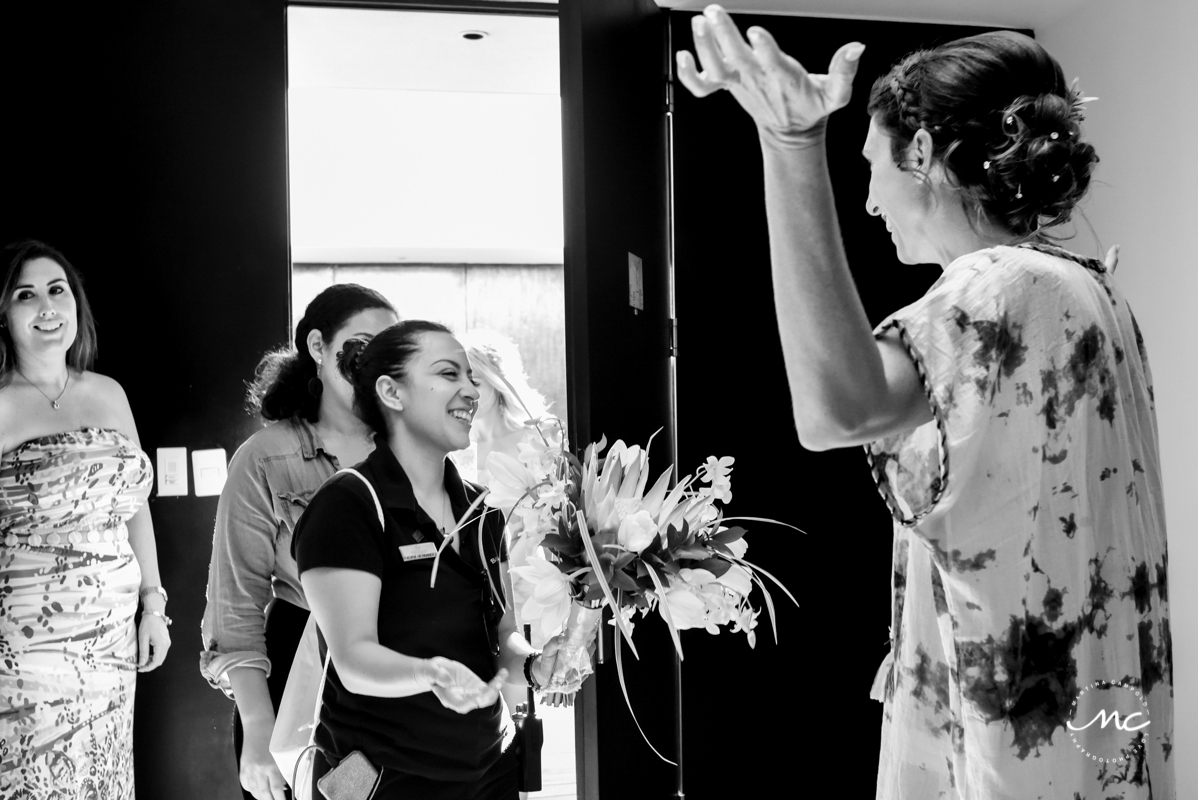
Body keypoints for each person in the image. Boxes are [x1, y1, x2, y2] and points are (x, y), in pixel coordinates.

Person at [678, 8, 1172, 800]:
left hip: (1020, 746)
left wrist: (791, 144)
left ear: (921, 153)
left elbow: (835, 411)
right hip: (1098, 727)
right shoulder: (1083, 290)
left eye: (871, 165)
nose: (870, 202)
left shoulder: (996, 286)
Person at [292, 320, 555, 800]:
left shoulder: (484, 511)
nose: (470, 390)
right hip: (384, 778)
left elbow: (502, 635)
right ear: (391, 392)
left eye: (471, 378)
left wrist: (536, 665)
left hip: (489, 771)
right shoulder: (349, 505)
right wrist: (432, 673)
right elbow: (352, 658)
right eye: (449, 374)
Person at [200, 284, 398, 800]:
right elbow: (234, 606)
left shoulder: (409, 450)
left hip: (398, 676)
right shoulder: (265, 459)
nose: (374, 359)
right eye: (361, 342)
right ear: (317, 346)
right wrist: (261, 731)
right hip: (303, 679)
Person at [0, 239, 170, 799]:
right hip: (25, 637)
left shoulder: (109, 393)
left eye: (58, 290)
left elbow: (134, 504)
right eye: (26, 294)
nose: (47, 305)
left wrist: (154, 605)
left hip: (111, 636)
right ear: (5, 313)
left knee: (101, 774)